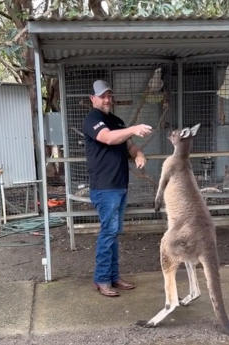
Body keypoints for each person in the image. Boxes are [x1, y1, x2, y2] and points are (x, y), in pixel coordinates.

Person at [82, 80, 153, 297]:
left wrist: (138, 153)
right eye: (102, 96)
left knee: (114, 233)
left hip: (120, 185)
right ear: (93, 98)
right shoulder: (92, 119)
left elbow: (128, 144)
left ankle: (113, 276)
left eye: (109, 96)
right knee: (108, 232)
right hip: (105, 188)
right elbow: (108, 138)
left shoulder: (117, 120)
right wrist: (133, 128)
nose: (106, 100)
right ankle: (102, 279)